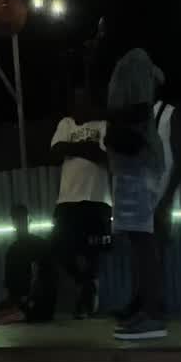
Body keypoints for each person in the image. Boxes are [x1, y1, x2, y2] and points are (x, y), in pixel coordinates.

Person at [106, 49, 181, 340]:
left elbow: (137, 119)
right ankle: (146, 310)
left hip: (141, 176)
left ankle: (152, 314)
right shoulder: (138, 104)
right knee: (141, 246)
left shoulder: (143, 105)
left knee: (145, 245)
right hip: (138, 175)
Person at [51, 86, 112, 318]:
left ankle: (86, 301)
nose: (81, 105)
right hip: (67, 200)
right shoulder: (66, 124)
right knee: (59, 247)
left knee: (92, 250)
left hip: (97, 199)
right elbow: (56, 151)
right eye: (77, 101)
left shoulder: (103, 125)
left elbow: (105, 156)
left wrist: (74, 149)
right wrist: (86, 148)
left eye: (85, 100)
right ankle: (86, 283)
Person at [0, 205, 56, 324]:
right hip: (35, 305)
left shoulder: (16, 250)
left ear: (13, 222)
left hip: (32, 307)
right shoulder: (38, 245)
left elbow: (37, 282)